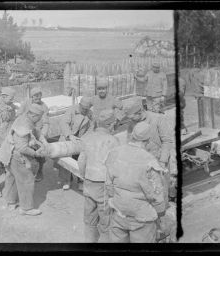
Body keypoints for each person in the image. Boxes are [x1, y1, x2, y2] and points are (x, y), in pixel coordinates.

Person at [105, 121, 167, 243]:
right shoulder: (149, 160)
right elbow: (156, 194)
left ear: (132, 135)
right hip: (142, 217)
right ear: (148, 140)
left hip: (118, 212)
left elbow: (108, 184)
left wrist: (115, 200)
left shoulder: (115, 153)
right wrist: (160, 215)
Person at [77, 109, 120, 242]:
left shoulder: (87, 138)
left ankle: (90, 241)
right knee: (106, 217)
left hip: (89, 180)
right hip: (103, 183)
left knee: (89, 215)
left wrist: (84, 176)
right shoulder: (113, 141)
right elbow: (115, 166)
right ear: (110, 125)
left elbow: (81, 161)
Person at [0, 104, 46, 216]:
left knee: (13, 177)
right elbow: (22, 147)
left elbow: (35, 131)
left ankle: (11, 202)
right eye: (39, 117)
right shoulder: (24, 125)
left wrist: (43, 140)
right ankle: (26, 208)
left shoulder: (24, 118)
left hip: (9, 153)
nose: (40, 119)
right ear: (34, 115)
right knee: (26, 180)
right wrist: (35, 153)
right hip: (16, 156)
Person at [59, 96, 93, 191]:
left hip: (81, 139)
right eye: (83, 108)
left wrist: (84, 139)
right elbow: (63, 123)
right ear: (80, 105)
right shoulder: (71, 110)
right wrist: (70, 135)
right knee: (66, 159)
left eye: (87, 109)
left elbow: (91, 128)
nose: (85, 110)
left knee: (82, 159)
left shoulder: (90, 114)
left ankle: (80, 180)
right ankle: (67, 180)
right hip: (67, 137)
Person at [18, 87, 50, 182]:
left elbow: (46, 123)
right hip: (26, 132)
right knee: (25, 153)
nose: (37, 98)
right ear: (31, 96)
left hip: (38, 133)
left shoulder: (44, 107)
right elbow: (19, 115)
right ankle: (26, 173)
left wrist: (42, 135)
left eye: (39, 95)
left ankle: (40, 171)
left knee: (41, 154)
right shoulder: (26, 103)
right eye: (35, 96)